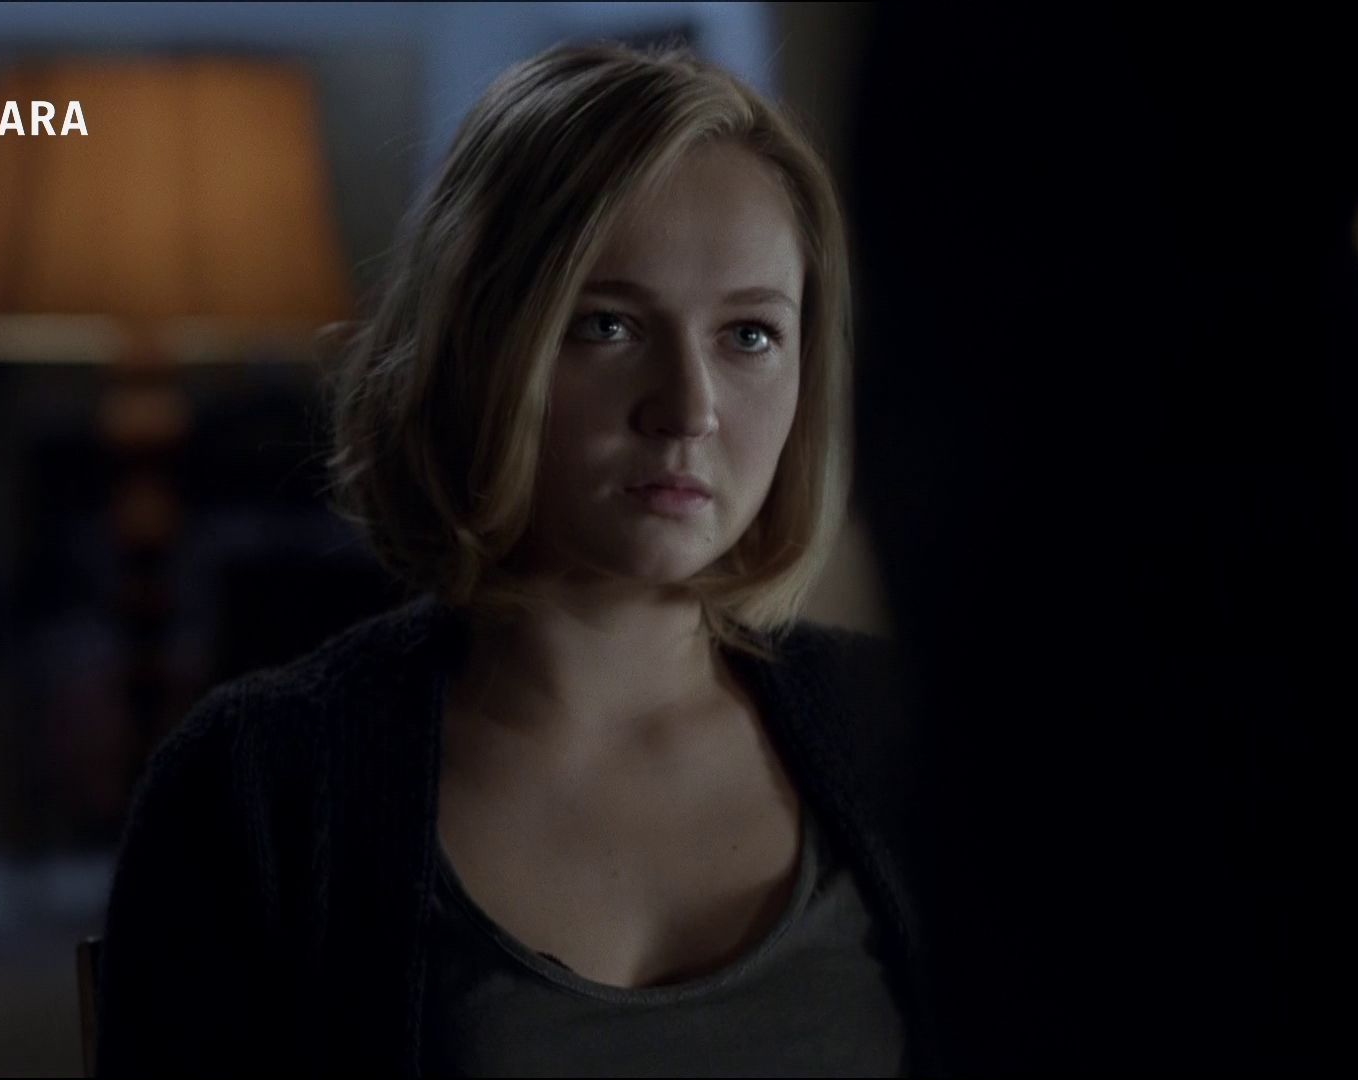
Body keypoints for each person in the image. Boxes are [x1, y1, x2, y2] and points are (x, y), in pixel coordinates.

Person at [95, 41, 938, 1077]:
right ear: (482, 345)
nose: (687, 409)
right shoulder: (260, 790)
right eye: (608, 324)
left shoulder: (909, 741)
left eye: (750, 336)